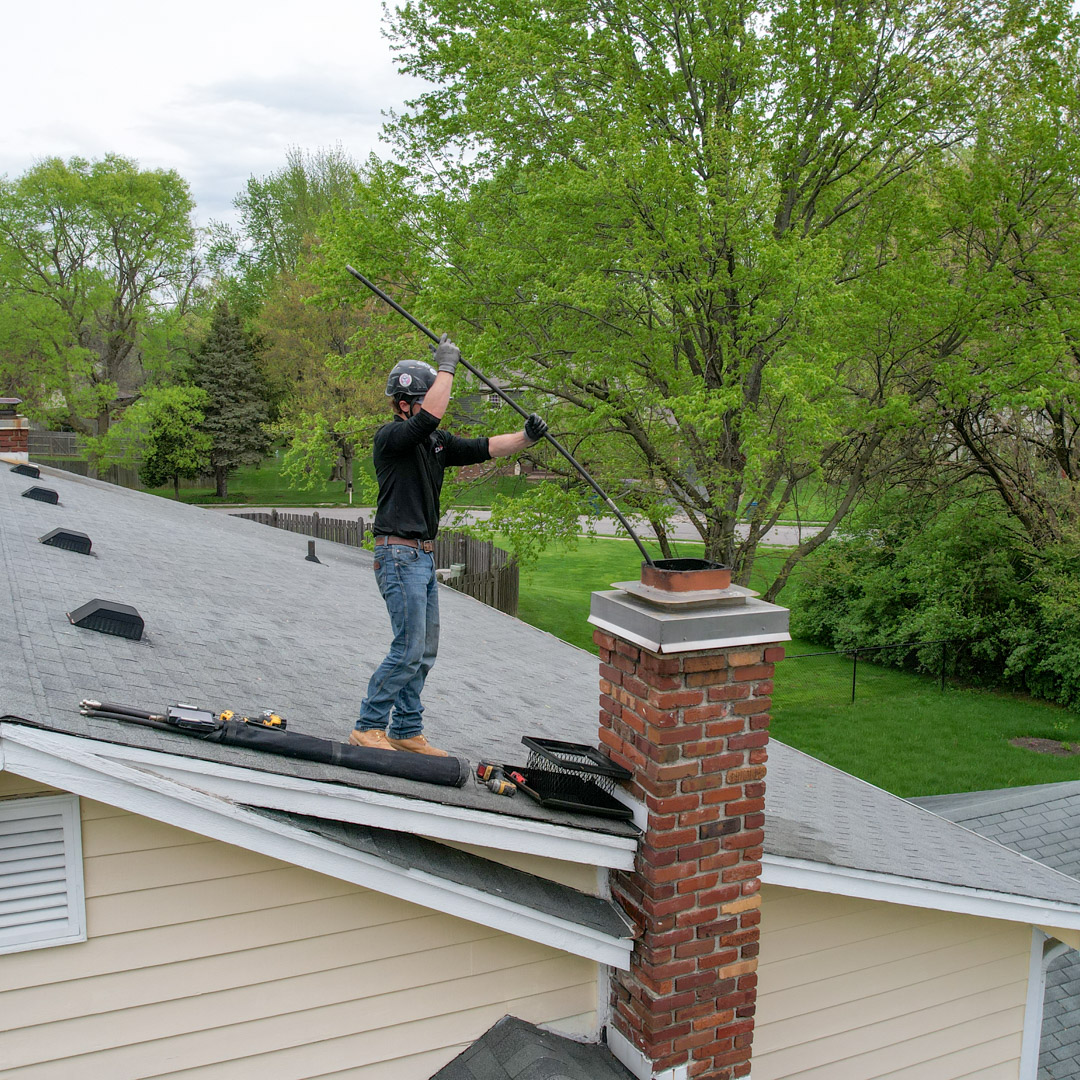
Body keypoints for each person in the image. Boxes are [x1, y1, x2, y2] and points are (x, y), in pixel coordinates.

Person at [351, 334, 548, 756]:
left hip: (420, 557)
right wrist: (447, 366)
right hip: (397, 554)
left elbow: (486, 448)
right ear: (405, 404)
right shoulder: (392, 438)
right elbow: (429, 418)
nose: (432, 405)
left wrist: (526, 438)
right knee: (406, 649)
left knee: (423, 652)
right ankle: (368, 726)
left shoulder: (436, 445)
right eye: (423, 398)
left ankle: (405, 730)